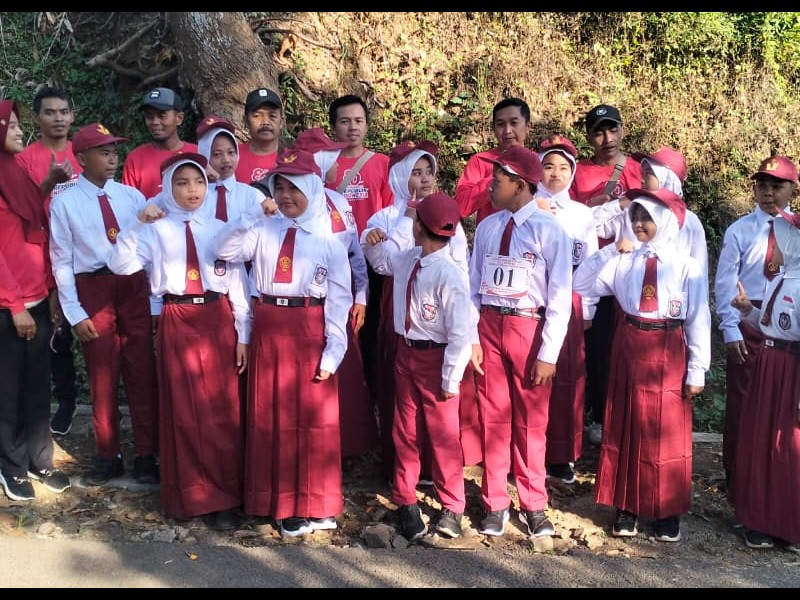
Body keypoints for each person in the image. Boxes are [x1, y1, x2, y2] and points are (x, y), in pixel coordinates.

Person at [108, 152, 252, 531]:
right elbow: (119, 265)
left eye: (199, 181)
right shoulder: (155, 229)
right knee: (184, 410)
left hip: (217, 317)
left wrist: (243, 334)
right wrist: (136, 224)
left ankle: (225, 497)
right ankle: (191, 495)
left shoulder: (220, 227)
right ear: (168, 188)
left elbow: (238, 284)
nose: (193, 190)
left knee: (221, 410)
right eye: (183, 182)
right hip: (177, 317)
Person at [215, 149, 352, 537]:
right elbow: (223, 251)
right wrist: (250, 216)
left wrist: (333, 351)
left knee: (314, 421)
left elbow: (339, 298)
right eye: (280, 187)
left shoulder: (328, 240)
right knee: (273, 417)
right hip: (270, 328)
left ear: (312, 190)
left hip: (309, 329)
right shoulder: (263, 229)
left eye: (294, 188)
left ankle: (316, 501)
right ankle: (282, 503)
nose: (286, 196)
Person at [573, 187, 711, 543]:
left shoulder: (686, 266)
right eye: (634, 216)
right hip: (630, 345)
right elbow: (581, 283)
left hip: (668, 345)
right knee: (627, 424)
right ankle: (627, 506)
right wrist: (608, 251)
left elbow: (698, 317)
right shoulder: (626, 260)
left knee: (665, 429)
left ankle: (666, 510)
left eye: (646, 217)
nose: (638, 223)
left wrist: (698, 368)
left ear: (664, 220)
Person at [468, 145, 573, 538]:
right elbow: (473, 284)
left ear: (519, 183)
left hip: (528, 327)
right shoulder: (487, 227)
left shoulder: (550, 229)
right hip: (489, 324)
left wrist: (549, 352)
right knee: (492, 415)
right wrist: (472, 336)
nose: (491, 186)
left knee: (531, 421)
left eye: (497, 180)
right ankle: (494, 501)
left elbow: (560, 294)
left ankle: (533, 503)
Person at [49, 122, 159, 486]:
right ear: (81, 158)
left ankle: (146, 453)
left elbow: (150, 247)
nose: (112, 159)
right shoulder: (65, 202)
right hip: (92, 287)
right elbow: (61, 260)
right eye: (103, 153)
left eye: (114, 152)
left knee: (141, 369)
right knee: (102, 373)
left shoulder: (131, 197)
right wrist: (75, 312)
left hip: (133, 286)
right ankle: (108, 454)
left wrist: (154, 300)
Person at [362, 140, 480, 478]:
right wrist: (407, 218)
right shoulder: (385, 217)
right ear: (400, 177)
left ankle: (439, 467)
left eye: (429, 171)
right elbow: (385, 263)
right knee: (402, 395)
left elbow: (461, 267)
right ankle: (402, 467)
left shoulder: (445, 213)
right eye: (415, 172)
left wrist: (470, 329)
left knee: (441, 389)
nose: (425, 178)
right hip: (399, 308)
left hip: (442, 310)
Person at [366, 192, 478, 541]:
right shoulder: (408, 259)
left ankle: (453, 505)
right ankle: (405, 498)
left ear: (418, 227)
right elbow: (380, 261)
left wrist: (451, 378)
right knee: (405, 432)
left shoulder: (450, 274)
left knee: (443, 435)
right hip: (407, 354)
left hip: (437, 358)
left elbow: (459, 333)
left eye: (414, 219)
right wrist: (370, 238)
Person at [285, 127, 377, 459]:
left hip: (340, 297)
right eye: (332, 158)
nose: (339, 165)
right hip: (306, 303)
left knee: (345, 366)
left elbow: (354, 251)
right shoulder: (290, 205)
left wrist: (361, 295)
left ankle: (348, 444)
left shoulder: (338, 200)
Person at [714, 155, 797, 500]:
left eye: (777, 186)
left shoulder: (796, 230)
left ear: (793, 189)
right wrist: (730, 328)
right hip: (749, 322)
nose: (768, 192)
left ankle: (775, 486)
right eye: (762, 185)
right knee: (743, 403)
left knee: (782, 409)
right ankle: (737, 480)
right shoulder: (741, 230)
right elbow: (726, 282)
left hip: (790, 326)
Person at [0, 99, 71, 501]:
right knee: (8, 390)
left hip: (38, 298)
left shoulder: (17, 172)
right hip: (9, 305)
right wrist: (14, 306)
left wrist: (49, 291)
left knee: (37, 386)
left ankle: (39, 459)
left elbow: (35, 230)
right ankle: (11, 466)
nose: (18, 131)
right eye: (10, 126)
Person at [570, 103, 643, 447]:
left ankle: (624, 416)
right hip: (593, 271)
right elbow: (568, 216)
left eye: (613, 129)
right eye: (599, 132)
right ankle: (596, 415)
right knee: (595, 346)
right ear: (589, 137)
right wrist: (593, 206)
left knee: (625, 346)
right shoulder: (578, 172)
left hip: (631, 271)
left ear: (622, 130)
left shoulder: (638, 171)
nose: (607, 138)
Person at [729, 213, 800, 553]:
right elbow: (772, 324)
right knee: (761, 440)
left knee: (788, 445)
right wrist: (748, 311)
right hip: (769, 365)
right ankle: (758, 520)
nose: (775, 248)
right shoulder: (780, 279)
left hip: (791, 371)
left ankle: (788, 524)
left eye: (782, 242)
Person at [15, 86, 80, 436]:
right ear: (38, 118)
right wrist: (49, 182)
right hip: (44, 257)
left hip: (86, 259)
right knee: (56, 334)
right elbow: (20, 211)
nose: (58, 118)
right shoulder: (25, 160)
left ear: (72, 116)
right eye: (50, 112)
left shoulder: (83, 152)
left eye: (63, 111)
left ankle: (98, 406)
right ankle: (65, 403)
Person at [534, 135, 599, 485]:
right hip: (533, 299)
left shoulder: (581, 214)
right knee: (533, 372)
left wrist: (588, 308)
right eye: (548, 166)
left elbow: (589, 262)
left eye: (563, 167)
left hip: (570, 299)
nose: (555, 174)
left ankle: (561, 455)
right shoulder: (526, 207)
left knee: (567, 377)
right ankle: (529, 450)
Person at [326, 94, 393, 423]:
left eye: (358, 120)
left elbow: (391, 212)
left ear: (367, 125)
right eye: (344, 121)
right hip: (333, 258)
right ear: (333, 126)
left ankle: (372, 395)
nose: (352, 127)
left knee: (369, 325)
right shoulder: (324, 164)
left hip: (371, 258)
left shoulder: (382, 163)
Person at [455, 97, 532, 225]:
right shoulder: (480, 161)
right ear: (494, 129)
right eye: (501, 124)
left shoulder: (540, 163)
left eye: (514, 123)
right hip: (490, 234)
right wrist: (497, 179)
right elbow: (460, 208)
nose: (507, 131)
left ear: (528, 127)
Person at [122, 87, 198, 200]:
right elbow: (129, 203)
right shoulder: (135, 158)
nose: (155, 122)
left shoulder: (198, 154)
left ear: (179, 118)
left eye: (162, 116)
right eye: (149, 116)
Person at [235, 88, 286, 185]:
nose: (265, 122)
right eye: (257, 116)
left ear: (281, 122)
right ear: (246, 121)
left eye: (272, 116)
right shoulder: (232, 157)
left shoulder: (292, 160)